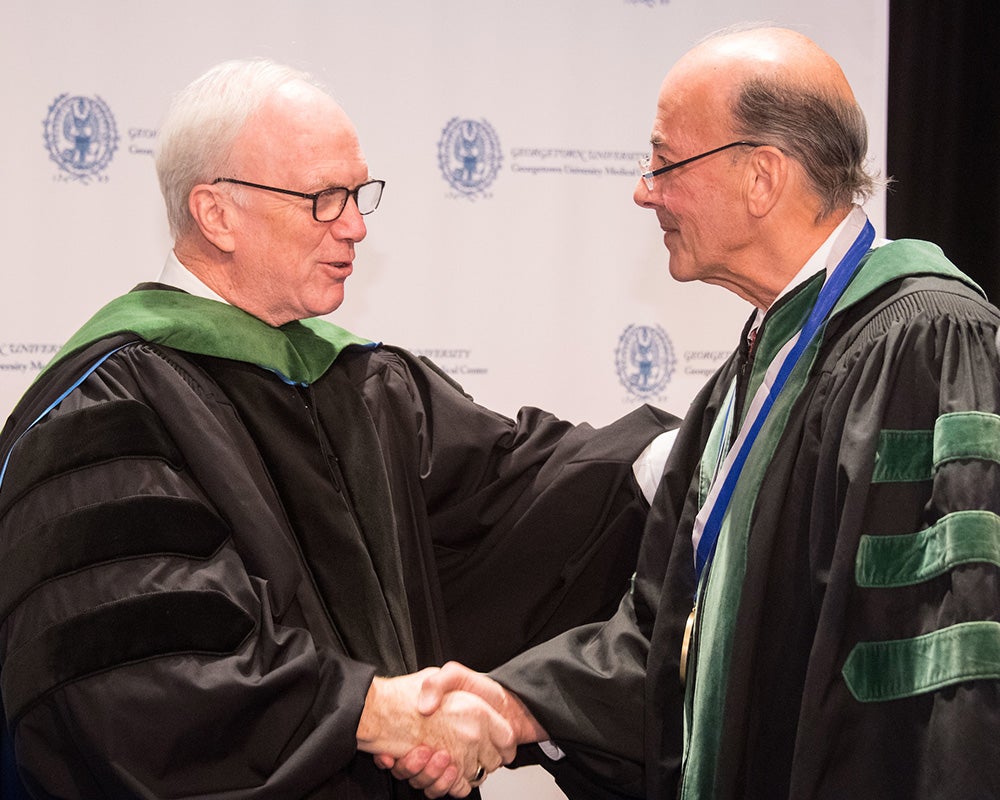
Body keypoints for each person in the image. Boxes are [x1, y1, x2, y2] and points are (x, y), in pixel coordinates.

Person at [0, 59, 679, 799]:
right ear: (216, 212)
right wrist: (369, 711)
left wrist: (711, 451)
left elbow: (524, 494)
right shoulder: (106, 408)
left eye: (357, 194)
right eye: (323, 198)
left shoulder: (362, 384)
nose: (355, 225)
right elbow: (138, 674)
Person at [396, 24, 1000, 799]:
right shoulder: (755, 370)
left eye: (665, 163)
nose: (644, 189)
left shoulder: (923, 342)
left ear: (762, 177)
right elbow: (669, 628)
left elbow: (938, 668)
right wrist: (513, 706)